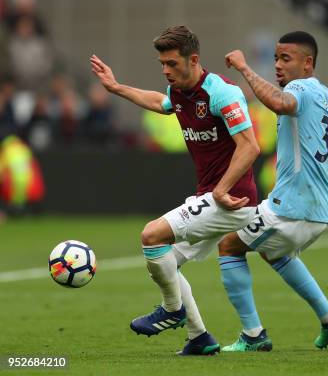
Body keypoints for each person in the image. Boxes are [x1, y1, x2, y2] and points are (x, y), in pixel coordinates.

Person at [90, 25, 260, 355]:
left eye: (171, 63)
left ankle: (172, 309)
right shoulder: (181, 91)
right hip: (212, 196)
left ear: (193, 59)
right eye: (162, 65)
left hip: (232, 199)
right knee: (166, 260)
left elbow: (250, 147)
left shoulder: (222, 93)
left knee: (152, 237)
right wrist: (115, 87)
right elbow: (160, 101)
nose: (166, 70)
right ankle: (199, 337)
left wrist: (222, 190)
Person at [219, 31, 328, 351]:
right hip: (319, 207)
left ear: (308, 64)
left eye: (285, 59)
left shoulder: (299, 87)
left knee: (228, 246)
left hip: (293, 206)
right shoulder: (321, 91)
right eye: (276, 58)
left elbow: (281, 103)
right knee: (272, 252)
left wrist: (245, 69)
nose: (278, 65)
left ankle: (253, 335)